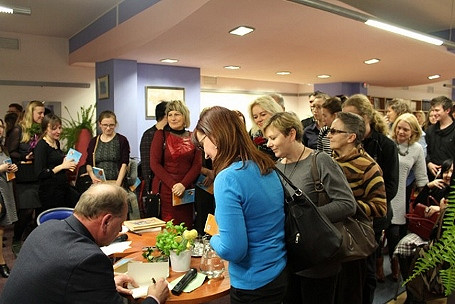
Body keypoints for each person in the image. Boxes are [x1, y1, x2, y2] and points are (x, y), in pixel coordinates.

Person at [0, 183, 169, 304]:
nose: (119, 232)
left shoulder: (46, 228)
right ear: (106, 221)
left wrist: (103, 284)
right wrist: (154, 298)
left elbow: (64, 279)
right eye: (120, 224)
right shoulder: (88, 259)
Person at [194, 106, 287, 304]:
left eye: (204, 145)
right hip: (279, 272)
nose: (207, 155)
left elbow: (233, 250)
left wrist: (212, 238)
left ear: (216, 137)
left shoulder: (228, 178)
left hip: (252, 282)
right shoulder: (266, 166)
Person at [263, 111, 356, 304]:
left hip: (319, 259)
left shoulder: (320, 161)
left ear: (291, 134)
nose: (268, 144)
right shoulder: (276, 168)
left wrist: (306, 219)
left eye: (273, 138)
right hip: (289, 260)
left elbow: (347, 204)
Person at [342, 94, 399, 303]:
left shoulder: (385, 145)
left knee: (367, 270)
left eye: (352, 116)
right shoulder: (343, 145)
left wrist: (353, 204)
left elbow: (390, 188)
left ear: (365, 116)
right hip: (350, 218)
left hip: (373, 218)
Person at [328, 112, 387, 304]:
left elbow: (380, 207)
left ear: (351, 137)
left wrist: (345, 207)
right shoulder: (327, 161)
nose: (329, 135)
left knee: (350, 294)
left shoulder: (368, 166)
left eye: (335, 131)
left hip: (352, 242)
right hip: (329, 239)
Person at [394, 159, 453, 304]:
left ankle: (420, 293)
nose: (448, 175)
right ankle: (413, 293)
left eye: (452, 172)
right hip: (426, 230)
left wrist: (441, 209)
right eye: (446, 171)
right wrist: (428, 186)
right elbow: (417, 203)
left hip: (444, 239)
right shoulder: (438, 187)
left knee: (421, 255)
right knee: (402, 248)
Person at [386, 113, 429, 281]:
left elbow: (422, 178)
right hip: (382, 195)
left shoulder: (417, 149)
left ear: (413, 132)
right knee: (386, 233)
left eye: (405, 129)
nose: (401, 132)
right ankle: (381, 267)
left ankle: (396, 266)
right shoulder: (388, 144)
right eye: (398, 127)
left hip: (400, 198)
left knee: (396, 234)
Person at [150, 100, 201, 228]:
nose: (173, 118)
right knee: (168, 229)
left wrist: (183, 185)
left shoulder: (194, 136)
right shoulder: (160, 135)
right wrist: (174, 185)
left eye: (177, 114)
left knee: (187, 228)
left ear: (184, 116)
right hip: (167, 190)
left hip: (186, 190)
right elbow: (154, 164)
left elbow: (197, 165)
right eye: (170, 114)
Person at [9, 100, 45, 256]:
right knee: (26, 211)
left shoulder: (39, 130)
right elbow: (11, 151)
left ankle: (33, 243)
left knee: (38, 211)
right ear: (31, 113)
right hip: (24, 176)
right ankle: (16, 240)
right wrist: (25, 156)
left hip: (37, 173)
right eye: (40, 113)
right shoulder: (19, 129)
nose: (42, 116)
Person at [34, 114, 80, 210]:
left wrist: (67, 162)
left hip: (61, 187)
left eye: (60, 128)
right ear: (46, 129)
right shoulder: (41, 146)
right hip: (50, 191)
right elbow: (40, 173)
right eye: (54, 129)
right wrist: (62, 166)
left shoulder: (56, 142)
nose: (58, 131)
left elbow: (55, 161)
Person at [86, 111, 131, 187]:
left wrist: (118, 184)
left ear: (115, 124)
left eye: (111, 125)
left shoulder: (122, 140)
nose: (108, 128)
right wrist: (92, 176)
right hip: (98, 183)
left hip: (116, 182)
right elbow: (89, 163)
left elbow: (124, 164)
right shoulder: (94, 141)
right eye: (105, 125)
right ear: (100, 124)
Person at [0, 119, 18, 278]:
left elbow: (7, 166)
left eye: (0, 126)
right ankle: (2, 262)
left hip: (5, 189)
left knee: (2, 229)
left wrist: (12, 168)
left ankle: (1, 261)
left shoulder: (3, 148)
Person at [140, 101, 169, 194]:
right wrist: (149, 188)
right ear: (165, 115)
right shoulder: (149, 135)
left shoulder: (171, 133)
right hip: (156, 183)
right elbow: (146, 164)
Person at [426, 96, 455, 179]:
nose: (434, 113)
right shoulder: (429, 130)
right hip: (432, 175)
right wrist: (429, 163)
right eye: (433, 110)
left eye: (437, 110)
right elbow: (425, 151)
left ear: (447, 110)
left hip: (451, 176)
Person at [248, 95, 283, 160]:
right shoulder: (253, 134)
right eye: (255, 117)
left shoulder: (283, 132)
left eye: (263, 115)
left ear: (273, 112)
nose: (259, 119)